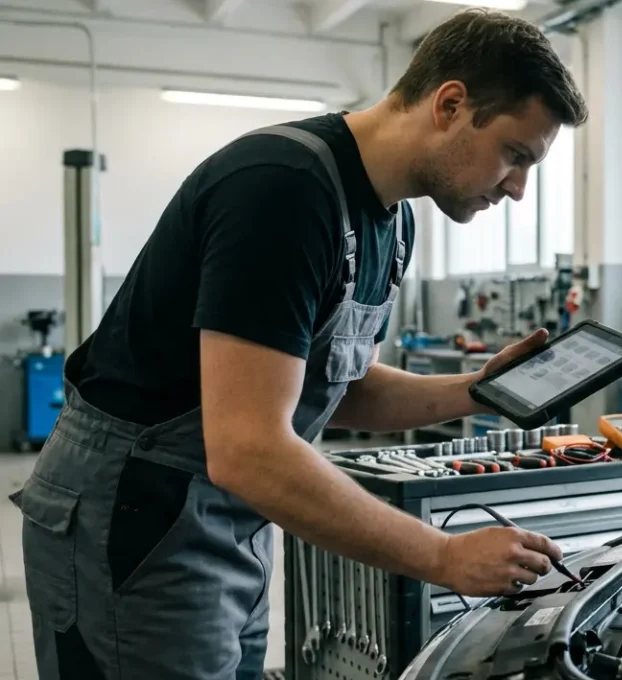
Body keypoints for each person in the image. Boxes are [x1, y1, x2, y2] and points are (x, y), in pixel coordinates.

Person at [10, 9, 588, 679]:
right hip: (134, 516)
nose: (519, 189)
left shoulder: (390, 222)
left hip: (226, 522)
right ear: (450, 104)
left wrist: (475, 391)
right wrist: (441, 556)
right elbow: (249, 449)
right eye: (516, 155)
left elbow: (336, 386)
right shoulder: (283, 191)